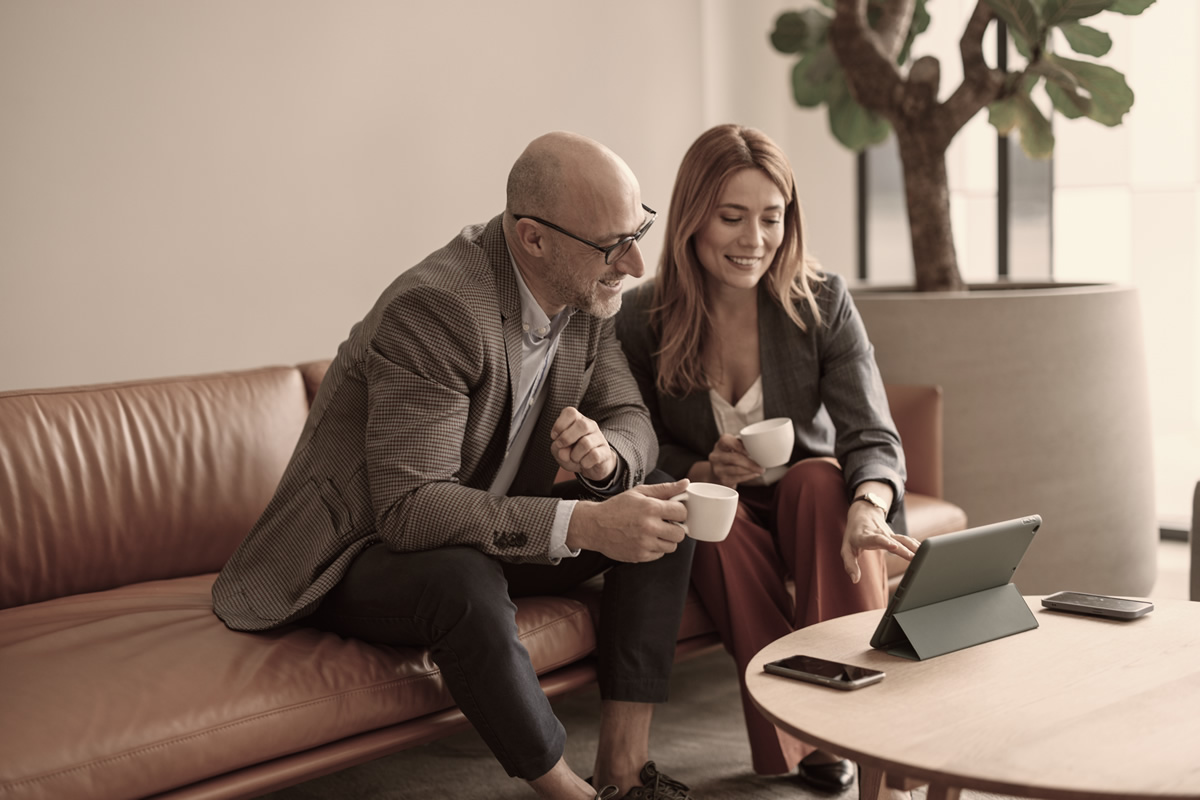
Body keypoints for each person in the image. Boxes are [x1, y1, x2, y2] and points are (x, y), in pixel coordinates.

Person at [213, 131, 700, 800]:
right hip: (359, 554)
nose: (637, 263)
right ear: (533, 239)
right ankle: (570, 794)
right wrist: (585, 523)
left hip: (483, 531)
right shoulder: (438, 308)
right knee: (462, 578)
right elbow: (411, 510)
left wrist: (606, 457)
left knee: (662, 513)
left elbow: (630, 416)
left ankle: (623, 769)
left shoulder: (585, 294)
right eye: (614, 245)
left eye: (637, 232)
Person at [614, 124, 920, 795]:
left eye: (771, 218)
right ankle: (809, 738)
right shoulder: (641, 317)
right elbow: (634, 439)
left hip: (808, 502)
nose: (754, 239)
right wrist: (701, 471)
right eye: (731, 217)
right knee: (707, 521)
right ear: (693, 218)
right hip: (718, 506)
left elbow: (871, 432)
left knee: (817, 482)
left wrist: (869, 507)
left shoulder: (821, 301)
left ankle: (878, 740)